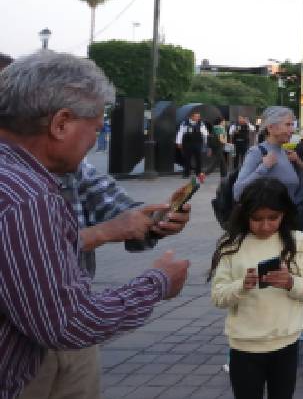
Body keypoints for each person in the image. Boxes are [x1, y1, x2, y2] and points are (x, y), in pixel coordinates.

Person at [0, 51, 189, 399]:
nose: (93, 143)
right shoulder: (29, 196)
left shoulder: (33, 177)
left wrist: (149, 222)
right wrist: (158, 282)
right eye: (97, 128)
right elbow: (67, 322)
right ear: (60, 124)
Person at [210, 178, 303, 399]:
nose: (265, 225)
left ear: (284, 214)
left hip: (286, 340)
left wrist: (290, 282)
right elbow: (218, 296)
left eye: (273, 218)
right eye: (257, 219)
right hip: (244, 344)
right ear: (245, 214)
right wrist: (241, 285)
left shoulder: (299, 242)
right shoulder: (231, 245)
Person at [233, 106, 303, 203]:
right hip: (268, 217)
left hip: (289, 216)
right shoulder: (256, 152)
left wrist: (300, 166)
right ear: (270, 127)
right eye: (288, 125)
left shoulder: (287, 153)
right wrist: (264, 167)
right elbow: (238, 192)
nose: (292, 130)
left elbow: (298, 190)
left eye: (292, 125)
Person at [176, 110, 209, 180]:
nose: (198, 118)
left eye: (198, 116)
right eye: (196, 116)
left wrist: (207, 142)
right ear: (192, 117)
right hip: (188, 143)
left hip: (198, 143)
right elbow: (180, 133)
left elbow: (205, 133)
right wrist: (179, 142)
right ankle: (186, 173)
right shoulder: (185, 123)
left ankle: (198, 173)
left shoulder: (201, 123)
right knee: (187, 158)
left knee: (198, 159)